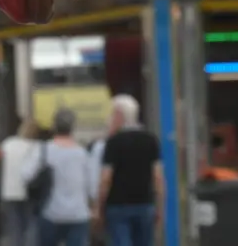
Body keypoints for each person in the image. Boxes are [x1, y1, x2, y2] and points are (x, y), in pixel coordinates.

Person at [95, 96, 163, 246]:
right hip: (145, 204)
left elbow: (106, 178)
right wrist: (159, 206)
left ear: (119, 115)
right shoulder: (151, 140)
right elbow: (157, 177)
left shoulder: (113, 143)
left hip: (118, 206)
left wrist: (99, 206)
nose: (110, 118)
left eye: (113, 114)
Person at [22, 110, 93, 246]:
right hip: (78, 213)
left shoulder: (43, 150)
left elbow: (25, 174)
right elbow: (91, 186)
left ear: (54, 126)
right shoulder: (82, 153)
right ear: (73, 127)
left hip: (50, 212)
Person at [0, 119, 40, 246]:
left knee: (14, 227)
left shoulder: (9, 143)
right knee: (31, 224)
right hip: (29, 192)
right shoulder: (37, 147)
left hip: (9, 193)